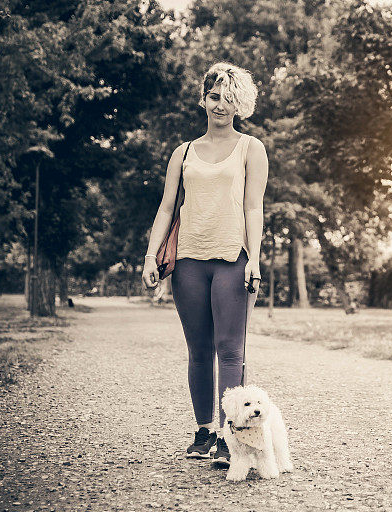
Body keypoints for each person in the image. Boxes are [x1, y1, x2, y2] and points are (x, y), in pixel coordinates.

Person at [141, 62, 268, 467]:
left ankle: (233, 439)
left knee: (230, 349)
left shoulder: (252, 148)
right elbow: (166, 208)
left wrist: (256, 261)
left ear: (239, 104)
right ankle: (203, 432)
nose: (221, 105)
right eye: (215, 96)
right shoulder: (183, 153)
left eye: (229, 98)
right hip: (190, 260)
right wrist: (151, 256)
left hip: (233, 259)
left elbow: (253, 207)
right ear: (203, 98)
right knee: (198, 351)